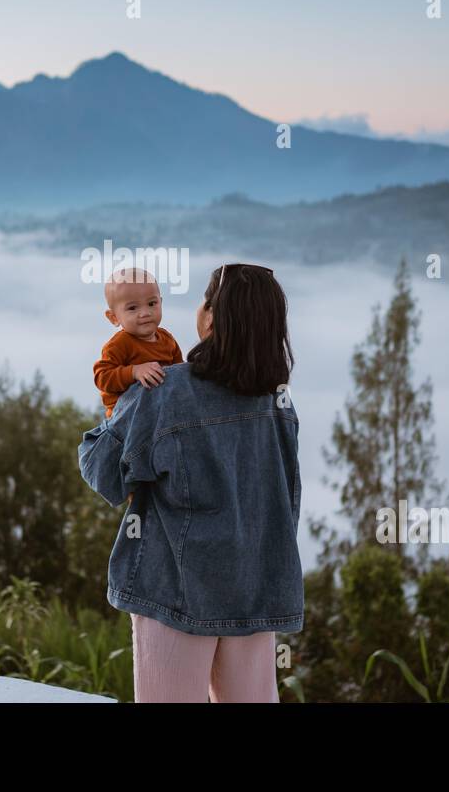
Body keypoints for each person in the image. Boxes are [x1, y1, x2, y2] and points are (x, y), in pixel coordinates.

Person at [78, 262, 302, 702]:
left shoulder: (162, 392)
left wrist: (116, 410)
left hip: (174, 594)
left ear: (213, 318)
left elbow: (104, 473)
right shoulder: (277, 401)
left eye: (204, 298)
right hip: (255, 591)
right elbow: (286, 499)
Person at [92, 266, 183, 420]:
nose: (145, 313)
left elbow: (181, 373)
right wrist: (133, 372)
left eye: (152, 304)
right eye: (133, 308)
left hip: (161, 412)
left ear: (160, 302)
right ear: (114, 317)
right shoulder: (120, 344)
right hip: (125, 418)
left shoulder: (167, 339)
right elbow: (102, 377)